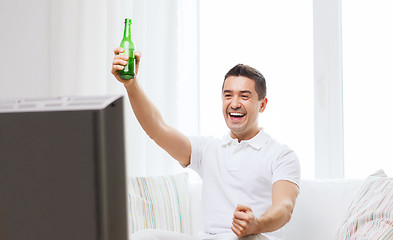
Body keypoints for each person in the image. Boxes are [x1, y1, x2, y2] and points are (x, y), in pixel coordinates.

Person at [111, 48, 301, 240]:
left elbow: (284, 208)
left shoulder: (281, 155)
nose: (234, 103)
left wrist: (256, 225)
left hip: (253, 237)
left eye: (244, 96)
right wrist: (131, 84)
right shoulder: (208, 150)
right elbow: (157, 129)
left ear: (262, 104)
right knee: (144, 236)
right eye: (228, 95)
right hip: (209, 238)